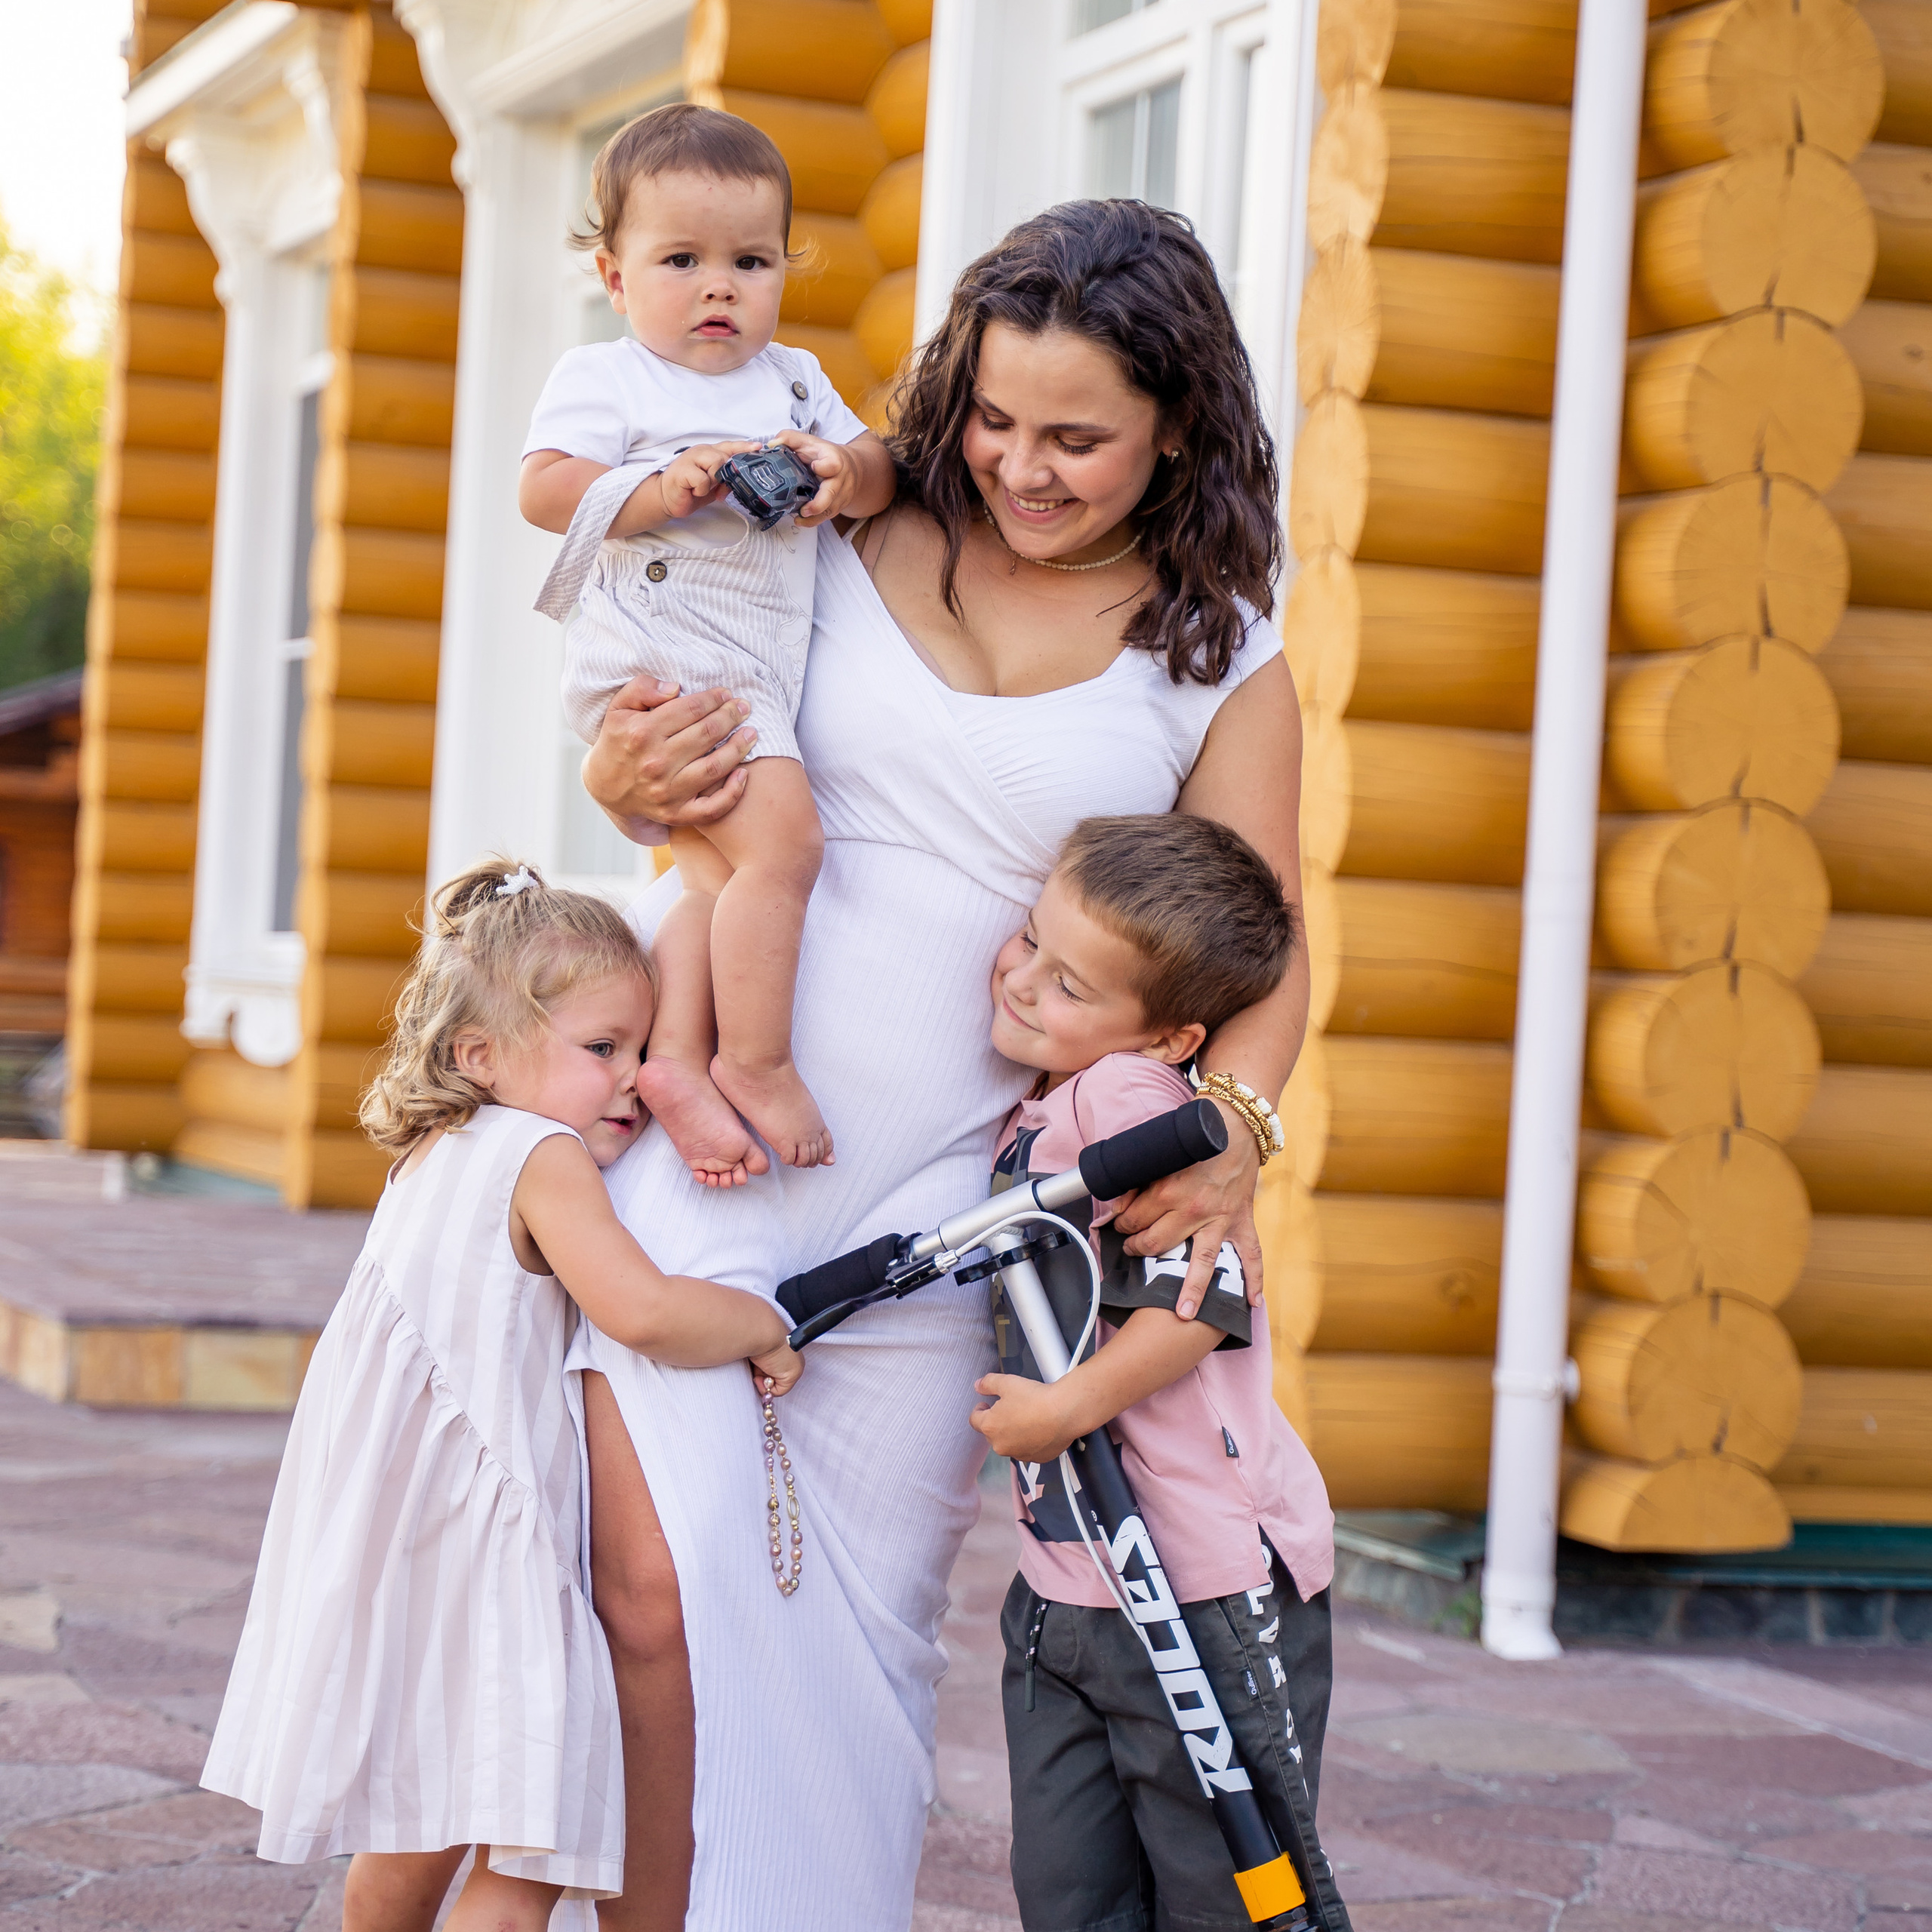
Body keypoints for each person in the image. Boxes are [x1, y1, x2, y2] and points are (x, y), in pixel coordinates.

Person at [567, 198, 1310, 1932]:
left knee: (855, 1614)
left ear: (1178, 426)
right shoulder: (831, 527)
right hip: (718, 1114)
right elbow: (668, 746)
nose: (1020, 468)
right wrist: (624, 785)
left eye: (1076, 438)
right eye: (989, 418)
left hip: (957, 1201)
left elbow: (1266, 940)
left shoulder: (1221, 648)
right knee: (648, 1585)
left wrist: (1238, 1131)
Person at [201, 861, 799, 1932]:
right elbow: (646, 1311)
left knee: (413, 1837)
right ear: (480, 1054)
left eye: (645, 1047)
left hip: (397, 1552)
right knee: (525, 1856)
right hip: (493, 1563)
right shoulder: (543, 1154)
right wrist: (761, 1322)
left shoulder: (436, 1155)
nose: (634, 1081)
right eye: (603, 1049)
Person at [970, 814, 1348, 1931]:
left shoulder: (1129, 1100)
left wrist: (1067, 1411)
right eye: (1030, 941)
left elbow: (1203, 1301)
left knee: (1230, 1895)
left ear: (1169, 1034)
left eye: (1071, 984)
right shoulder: (1046, 1092)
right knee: (1072, 1892)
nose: (1028, 985)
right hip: (1073, 1581)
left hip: (1198, 1582)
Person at [520, 103, 897, 1184]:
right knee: (789, 853)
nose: (720, 287)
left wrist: (839, 474)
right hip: (671, 649)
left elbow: (877, 467)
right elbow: (543, 490)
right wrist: (652, 488)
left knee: (710, 887)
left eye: (751, 259)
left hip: (745, 652)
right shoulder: (608, 379)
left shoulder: (792, 378)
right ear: (614, 274)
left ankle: (677, 1059)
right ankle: (758, 1060)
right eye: (681, 259)